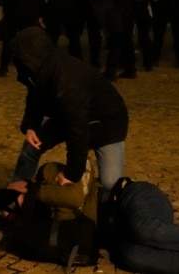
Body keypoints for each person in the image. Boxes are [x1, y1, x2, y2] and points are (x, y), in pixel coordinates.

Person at [9, 25, 128, 200]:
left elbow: (77, 131)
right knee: (31, 147)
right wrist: (31, 126)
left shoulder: (67, 82)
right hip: (67, 115)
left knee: (110, 183)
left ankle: (119, 200)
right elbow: (34, 95)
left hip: (107, 123)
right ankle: (14, 193)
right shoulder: (38, 69)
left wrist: (71, 174)